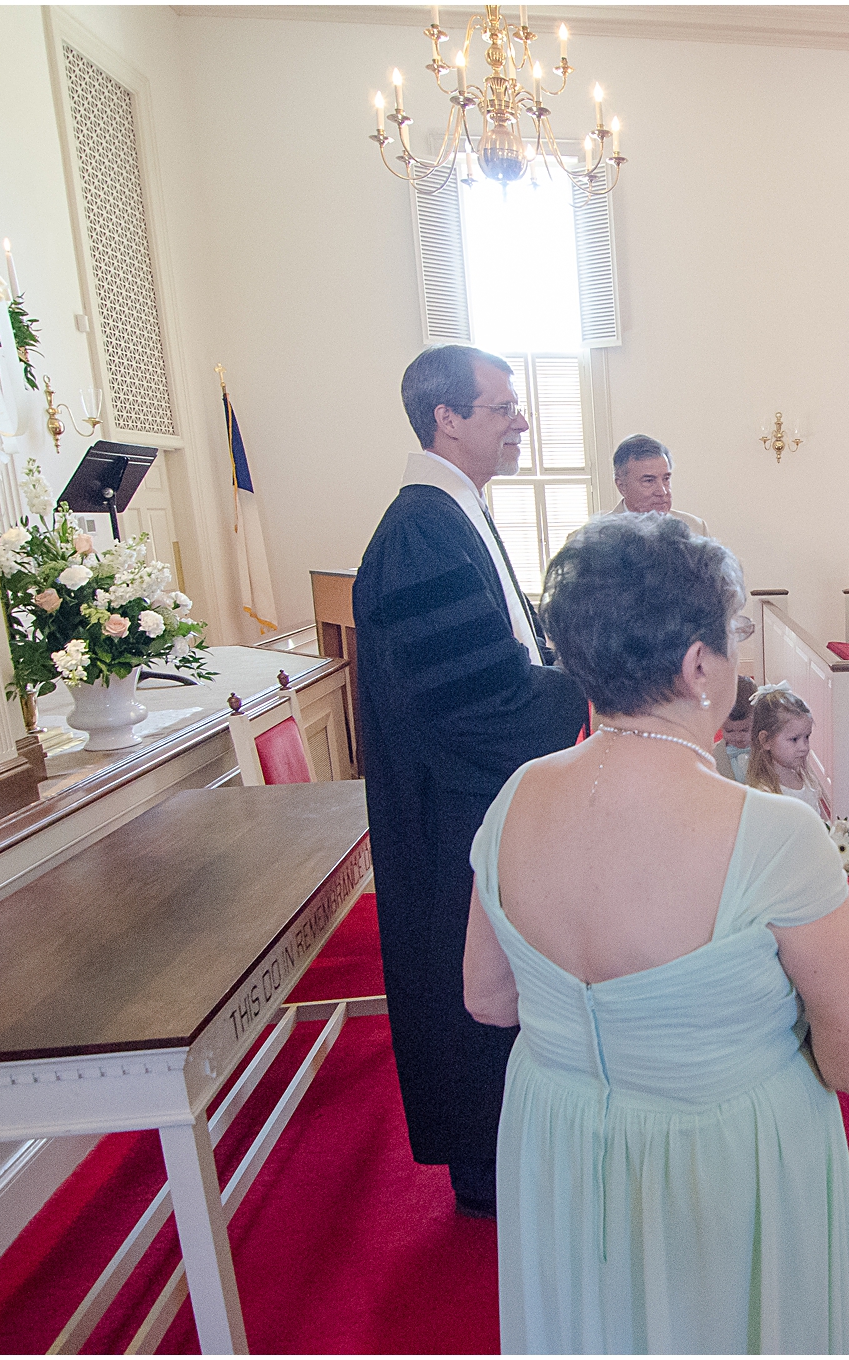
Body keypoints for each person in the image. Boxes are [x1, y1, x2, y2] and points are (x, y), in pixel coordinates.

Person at [462, 512, 849, 1352]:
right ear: (699, 666)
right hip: (721, 1157)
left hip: (561, 1139)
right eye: (732, 640)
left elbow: (486, 998)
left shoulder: (516, 795)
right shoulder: (774, 832)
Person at [353, 344, 590, 1218]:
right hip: (450, 815)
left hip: (476, 802)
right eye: (501, 407)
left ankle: (506, 1148)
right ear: (446, 418)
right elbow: (473, 697)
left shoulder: (454, 513)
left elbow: (504, 656)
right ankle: (490, 1167)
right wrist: (592, 682)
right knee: (467, 984)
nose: (519, 420)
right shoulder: (420, 531)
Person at [745, 683, 831, 816]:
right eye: (794, 739)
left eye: (806, 737)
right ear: (765, 740)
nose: (804, 748)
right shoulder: (765, 794)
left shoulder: (804, 776)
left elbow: (821, 821)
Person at [608, 433, 709, 535]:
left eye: (666, 479)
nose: (662, 491)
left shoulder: (696, 529)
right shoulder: (600, 537)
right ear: (622, 487)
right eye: (649, 481)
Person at [714, 674, 756, 781]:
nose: (737, 737)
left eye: (744, 730)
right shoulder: (713, 756)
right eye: (729, 730)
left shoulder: (769, 752)